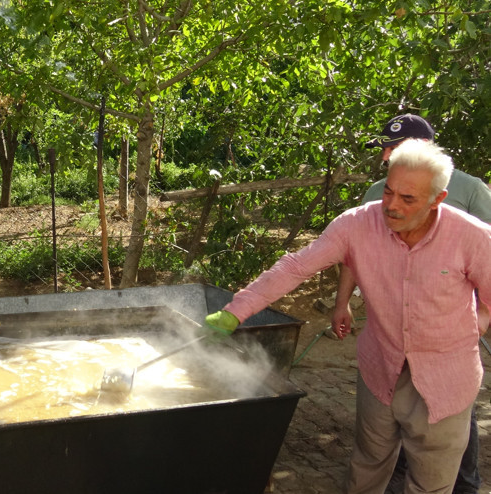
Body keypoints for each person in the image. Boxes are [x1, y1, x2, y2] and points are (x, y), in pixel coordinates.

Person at [201, 139, 491, 493]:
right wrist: (236, 311)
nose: (392, 206)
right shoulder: (357, 225)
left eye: (408, 199)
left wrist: (478, 321)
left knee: (431, 481)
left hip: (448, 377)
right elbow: (296, 267)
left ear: (437, 200)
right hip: (381, 365)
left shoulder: (472, 238)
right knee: (369, 463)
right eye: (388, 192)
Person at [333, 114, 491, 493]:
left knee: (447, 415)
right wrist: (344, 301)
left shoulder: (469, 191)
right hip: (388, 330)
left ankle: (463, 483)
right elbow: (354, 252)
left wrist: (479, 319)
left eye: (393, 149)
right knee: (385, 419)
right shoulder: (377, 192)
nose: (386, 157)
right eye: (385, 149)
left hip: (444, 336)